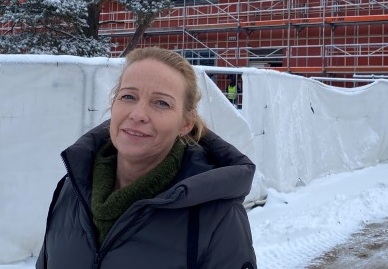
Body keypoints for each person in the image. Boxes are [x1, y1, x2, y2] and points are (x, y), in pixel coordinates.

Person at [36, 47, 257, 268]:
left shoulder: (218, 216)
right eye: (128, 96)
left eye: (161, 103)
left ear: (186, 123)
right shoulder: (72, 188)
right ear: (114, 103)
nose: (138, 114)